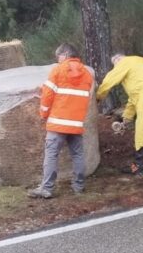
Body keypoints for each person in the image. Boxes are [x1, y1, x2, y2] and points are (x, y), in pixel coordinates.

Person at [28, 43, 94, 199]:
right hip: (76, 123)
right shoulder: (87, 74)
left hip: (58, 122)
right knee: (78, 154)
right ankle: (78, 186)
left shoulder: (57, 70)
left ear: (65, 54)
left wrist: (44, 113)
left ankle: (47, 188)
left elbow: (47, 95)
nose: (57, 60)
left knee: (51, 155)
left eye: (58, 56)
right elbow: (87, 97)